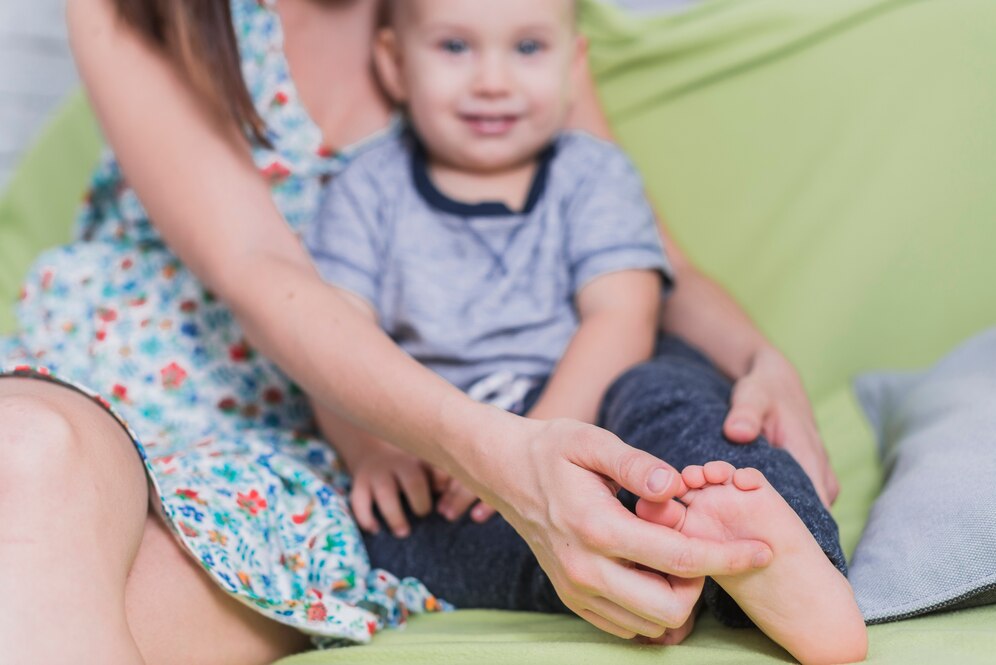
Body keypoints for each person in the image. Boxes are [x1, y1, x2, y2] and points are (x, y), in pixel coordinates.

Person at [0, 0, 838, 663]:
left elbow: (646, 264)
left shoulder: (486, 21)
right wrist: (492, 445)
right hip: (117, 380)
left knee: (68, 609)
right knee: (30, 456)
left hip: (304, 457)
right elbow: (264, 266)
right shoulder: (146, 9)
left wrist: (762, 360)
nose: (490, 76)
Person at [303, 2, 866, 663]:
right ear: (395, 64)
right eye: (455, 47)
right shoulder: (365, 190)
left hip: (601, 385)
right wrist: (371, 450)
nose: (492, 80)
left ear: (574, 66)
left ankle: (785, 555)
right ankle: (632, 580)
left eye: (529, 49)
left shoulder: (591, 173)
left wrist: (539, 435)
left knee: (677, 405)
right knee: (401, 530)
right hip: (461, 436)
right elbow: (332, 333)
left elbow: (622, 315)